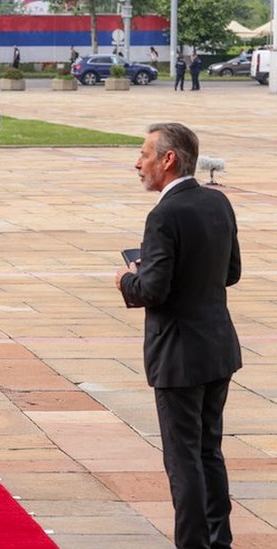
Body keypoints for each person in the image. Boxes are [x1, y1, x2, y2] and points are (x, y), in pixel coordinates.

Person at [116, 122, 241, 549]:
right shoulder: (217, 202)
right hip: (218, 348)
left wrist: (128, 279)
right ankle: (217, 539)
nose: (138, 163)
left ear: (168, 160)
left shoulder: (164, 214)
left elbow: (153, 290)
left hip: (179, 355)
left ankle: (192, 543)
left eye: (144, 154)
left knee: (183, 458)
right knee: (209, 450)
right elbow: (231, 273)